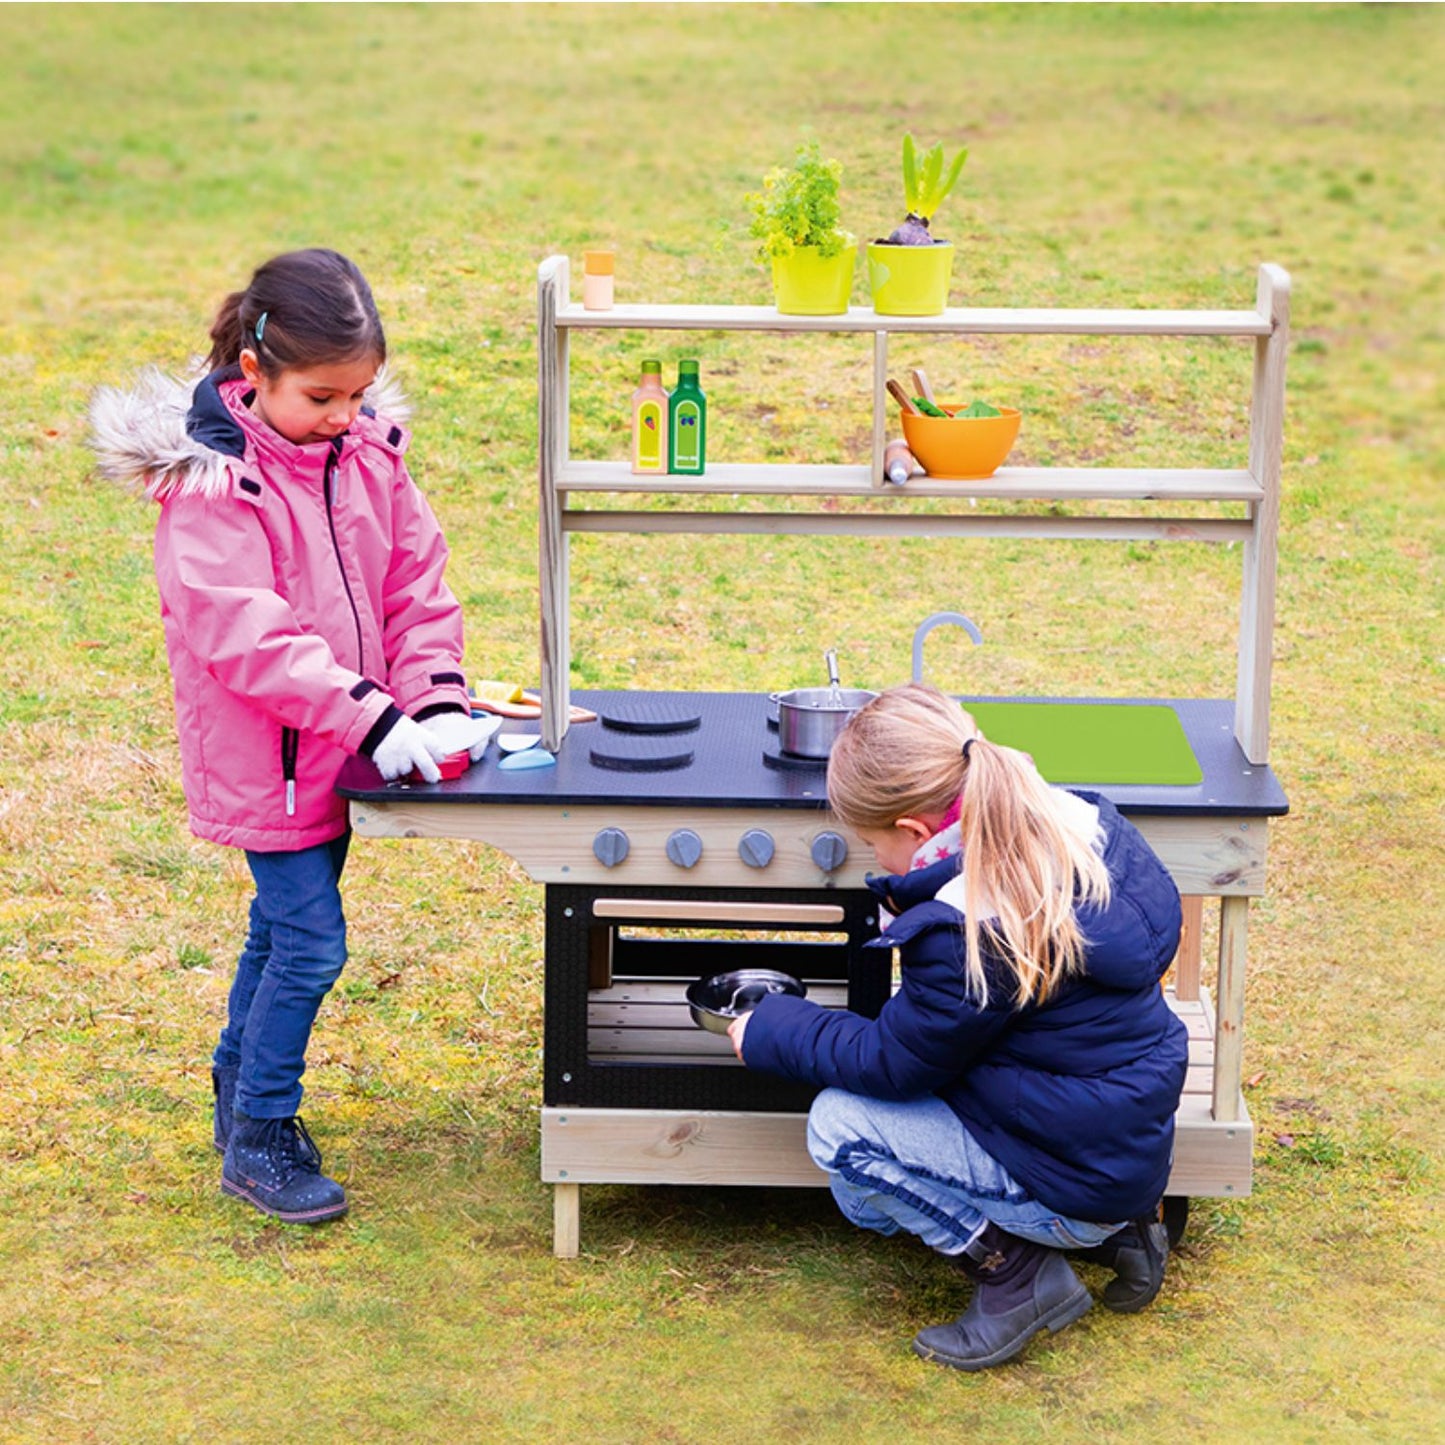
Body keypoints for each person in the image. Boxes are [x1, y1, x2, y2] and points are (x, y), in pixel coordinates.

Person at [88, 248, 494, 1224]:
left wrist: (433, 699)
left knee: (280, 932)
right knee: (310, 944)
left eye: (356, 394)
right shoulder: (212, 485)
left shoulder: (366, 455)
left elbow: (415, 586)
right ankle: (263, 1134)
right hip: (271, 766)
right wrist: (373, 714)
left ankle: (240, 1102)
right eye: (321, 395)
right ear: (255, 373)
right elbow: (248, 637)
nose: (344, 414)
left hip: (342, 753)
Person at [728, 683, 1188, 1371]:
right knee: (877, 1162)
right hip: (1114, 1148)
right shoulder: (1077, 823)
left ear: (914, 831)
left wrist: (768, 1028)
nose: (873, 858)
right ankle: (1116, 1234)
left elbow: (893, 1063)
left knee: (841, 1137)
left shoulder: (970, 918)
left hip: (1070, 1169)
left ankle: (1016, 1276)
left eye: (871, 842)